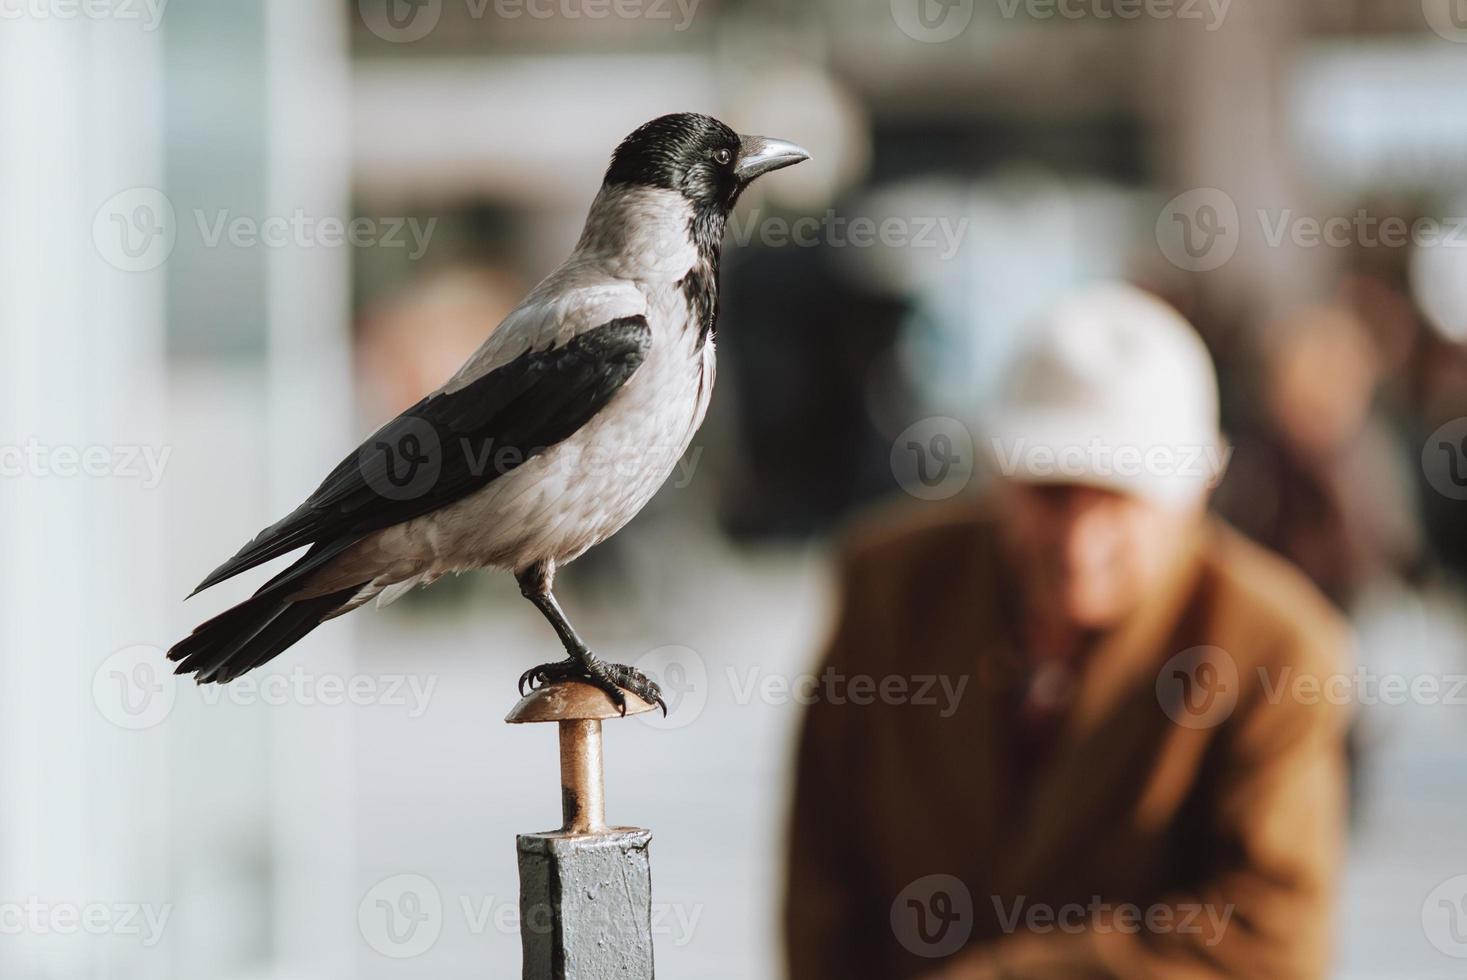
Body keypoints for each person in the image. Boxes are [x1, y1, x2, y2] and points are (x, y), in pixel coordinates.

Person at [783, 283, 1353, 979]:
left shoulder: (1277, 649)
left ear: (1196, 490)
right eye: (1051, 493)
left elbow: (1270, 939)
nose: (1079, 544)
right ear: (999, 475)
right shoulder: (890, 590)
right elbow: (821, 880)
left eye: (1117, 499)